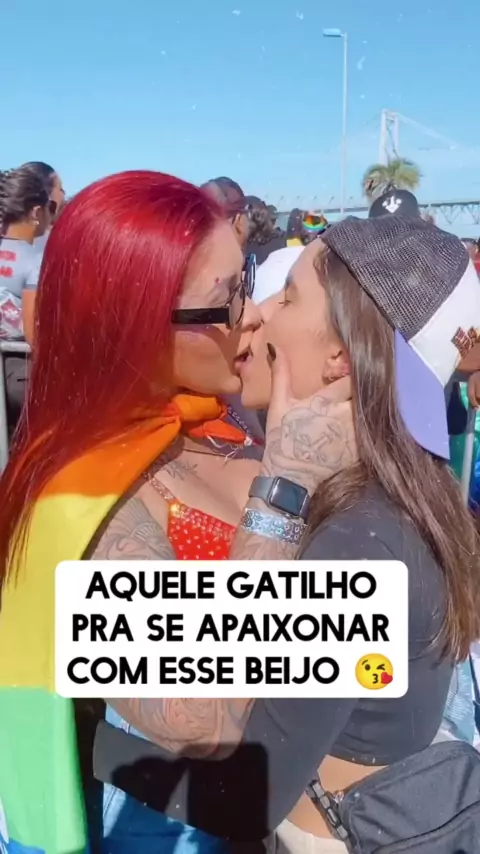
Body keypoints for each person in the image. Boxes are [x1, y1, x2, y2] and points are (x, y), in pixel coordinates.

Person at [93, 217, 480, 852]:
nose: (257, 314)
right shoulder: (402, 488)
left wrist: (95, 745)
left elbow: (247, 791)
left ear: (340, 356)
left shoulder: (359, 539)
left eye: (288, 297)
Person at [0, 169, 354, 854]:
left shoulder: (208, 420)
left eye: (247, 282)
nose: (253, 315)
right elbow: (204, 716)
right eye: (227, 301)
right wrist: (284, 486)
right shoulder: (84, 502)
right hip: (160, 827)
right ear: (131, 328)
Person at [0, 166, 55, 426]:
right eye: (49, 208)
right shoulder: (37, 261)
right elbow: (35, 335)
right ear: (35, 213)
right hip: (18, 377)